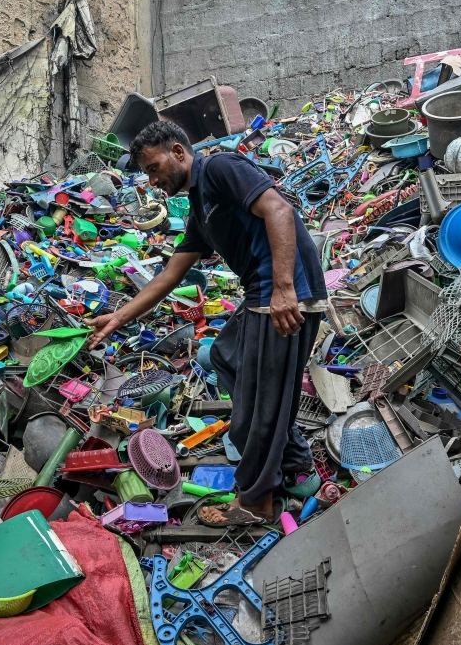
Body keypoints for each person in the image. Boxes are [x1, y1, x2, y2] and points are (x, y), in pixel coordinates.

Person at [86, 121, 326, 525]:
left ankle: (256, 503)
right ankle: (294, 459)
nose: (153, 179)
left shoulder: (219, 169)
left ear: (178, 152)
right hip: (262, 296)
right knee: (225, 356)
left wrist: (284, 288)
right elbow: (170, 275)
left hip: (282, 295)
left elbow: (279, 210)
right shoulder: (199, 205)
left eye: (153, 167)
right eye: (146, 173)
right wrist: (119, 316)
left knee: (258, 404)